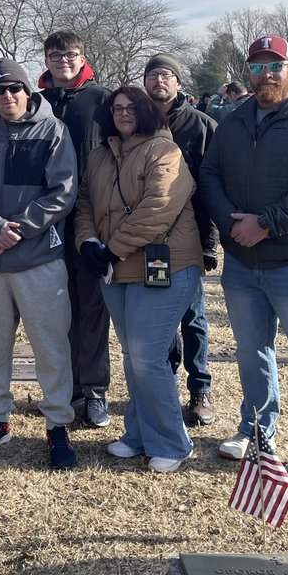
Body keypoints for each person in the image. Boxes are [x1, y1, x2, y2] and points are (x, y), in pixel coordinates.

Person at [199, 35, 288, 488]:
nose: (265, 75)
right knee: (253, 353)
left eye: (274, 66)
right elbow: (209, 174)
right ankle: (256, 432)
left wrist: (266, 223)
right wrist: (232, 225)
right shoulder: (233, 119)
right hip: (243, 262)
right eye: (256, 67)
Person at [0, 59, 78, 469]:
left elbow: (62, 193)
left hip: (39, 260)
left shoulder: (52, 131)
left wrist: (19, 230)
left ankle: (57, 424)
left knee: (50, 346)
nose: (8, 97)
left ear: (28, 92)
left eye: (15, 89)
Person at [75, 85, 203, 473]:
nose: (123, 113)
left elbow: (158, 208)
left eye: (132, 107)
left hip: (167, 265)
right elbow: (83, 204)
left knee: (148, 356)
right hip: (115, 269)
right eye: (116, 108)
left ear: (147, 111)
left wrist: (111, 249)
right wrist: (88, 244)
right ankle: (138, 434)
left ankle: (173, 442)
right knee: (135, 357)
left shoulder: (166, 151)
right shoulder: (99, 157)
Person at [38, 31, 111, 428]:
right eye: (55, 54)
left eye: (71, 54)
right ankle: (65, 387)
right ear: (46, 60)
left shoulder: (101, 100)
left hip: (90, 215)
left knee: (92, 306)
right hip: (47, 219)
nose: (63, 60)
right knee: (55, 308)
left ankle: (95, 389)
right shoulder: (37, 102)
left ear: (83, 57)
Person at [142, 53, 219, 425]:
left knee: (193, 316)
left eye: (166, 75)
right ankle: (167, 382)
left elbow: (213, 189)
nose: (159, 81)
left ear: (177, 82)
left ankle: (200, 386)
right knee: (160, 316)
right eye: (153, 75)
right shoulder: (135, 125)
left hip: (189, 238)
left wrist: (209, 245)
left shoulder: (201, 125)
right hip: (151, 240)